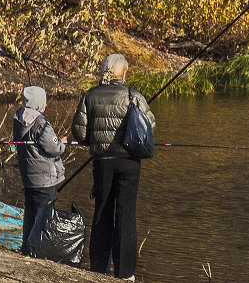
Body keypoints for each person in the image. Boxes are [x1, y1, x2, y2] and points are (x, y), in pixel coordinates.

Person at [71, 53, 155, 281]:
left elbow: (79, 133)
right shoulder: (133, 96)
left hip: (102, 163)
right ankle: (125, 274)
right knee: (126, 215)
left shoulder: (90, 96)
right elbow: (150, 126)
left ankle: (99, 269)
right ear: (124, 73)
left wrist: (94, 141)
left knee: (102, 212)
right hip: (129, 162)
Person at [12, 85, 67, 256]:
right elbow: (53, 148)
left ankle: (27, 248)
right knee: (44, 217)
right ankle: (39, 251)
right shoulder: (41, 122)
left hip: (29, 178)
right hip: (45, 179)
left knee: (30, 214)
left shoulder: (19, 118)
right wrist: (62, 143)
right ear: (38, 103)